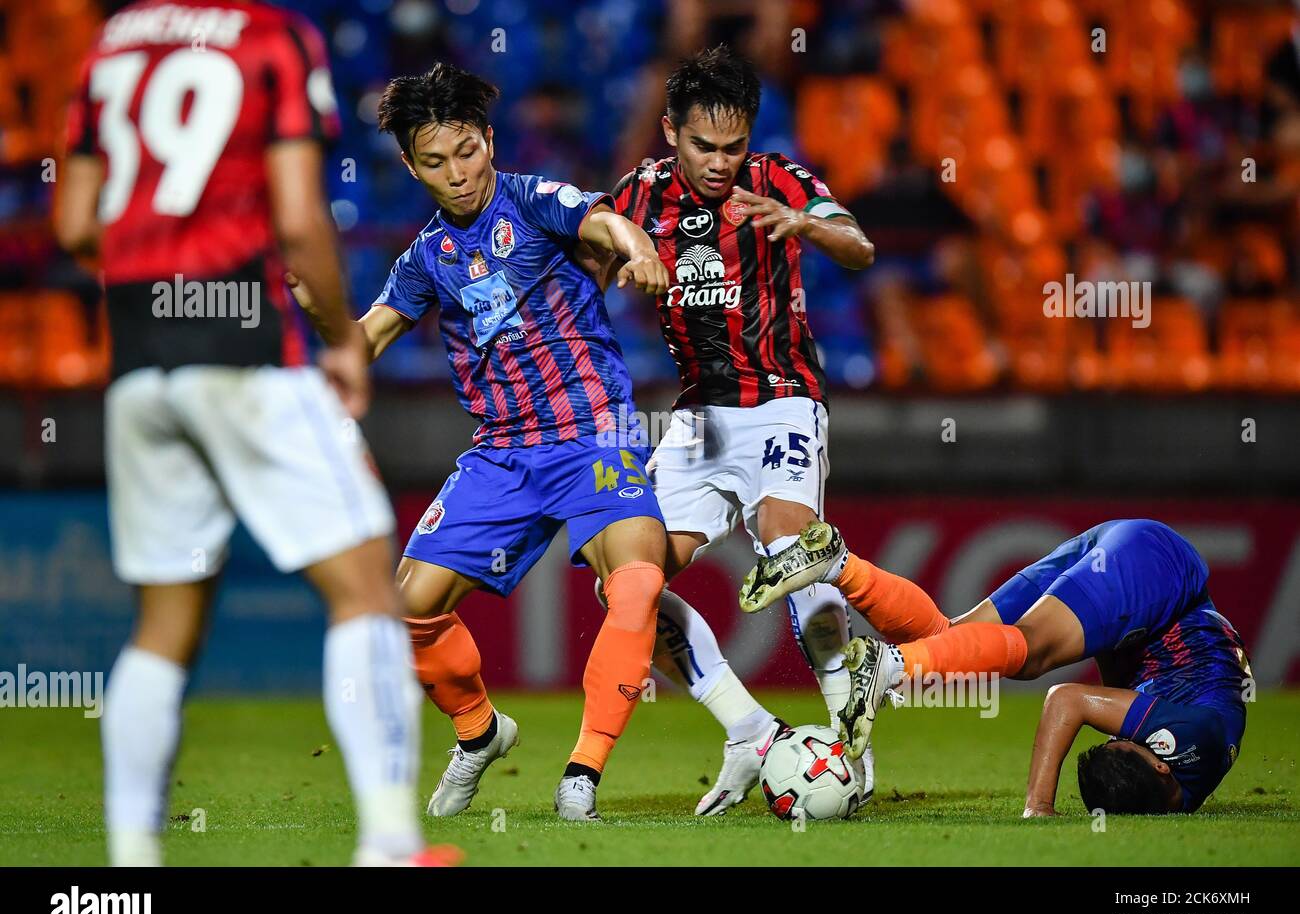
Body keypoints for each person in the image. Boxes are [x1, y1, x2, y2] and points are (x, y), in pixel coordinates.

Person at [57, 0, 449, 865]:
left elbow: (77, 224)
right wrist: (345, 341)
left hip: (137, 358)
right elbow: (302, 219)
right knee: (364, 592)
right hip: (243, 351)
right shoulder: (271, 37)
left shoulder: (108, 48)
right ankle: (389, 842)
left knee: (162, 626)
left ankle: (130, 864)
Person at [289, 63, 671, 822]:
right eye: (435, 161)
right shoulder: (426, 258)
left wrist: (639, 249)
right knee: (404, 614)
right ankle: (481, 733)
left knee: (637, 582)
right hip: (503, 453)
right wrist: (326, 319)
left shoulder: (532, 199)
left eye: (467, 151)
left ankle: (582, 774)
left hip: (594, 431)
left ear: (489, 139)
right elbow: (368, 340)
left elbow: (602, 220)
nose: (458, 174)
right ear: (409, 166)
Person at [599, 44, 875, 816]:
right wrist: (623, 252)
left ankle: (850, 746)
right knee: (626, 584)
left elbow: (860, 245)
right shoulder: (638, 196)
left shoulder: (777, 178)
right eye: (703, 146)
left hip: (783, 398)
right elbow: (582, 261)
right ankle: (748, 729)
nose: (722, 163)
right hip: (695, 418)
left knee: (793, 554)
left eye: (734, 145)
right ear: (668, 132)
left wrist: (805, 225)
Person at [742, 518, 1250, 814]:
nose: (1124, 731)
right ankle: (890, 667)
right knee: (1031, 655)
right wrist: (1039, 808)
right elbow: (1067, 699)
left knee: (951, 644)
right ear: (1161, 763)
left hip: (1140, 578)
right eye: (1131, 741)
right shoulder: (1193, 740)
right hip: (1158, 571)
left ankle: (838, 565)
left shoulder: (1166, 780)